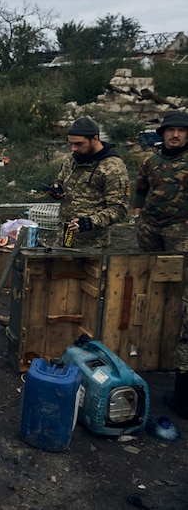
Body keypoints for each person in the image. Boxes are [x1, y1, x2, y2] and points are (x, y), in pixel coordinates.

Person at [131, 111, 188, 419]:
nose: (175, 135)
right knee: (149, 282)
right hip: (150, 227)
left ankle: (179, 351)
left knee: (181, 288)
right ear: (163, 133)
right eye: (170, 130)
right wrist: (138, 212)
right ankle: (148, 344)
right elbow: (140, 187)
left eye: (180, 130)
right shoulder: (150, 161)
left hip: (181, 230)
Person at [46, 117, 130, 249]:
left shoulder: (112, 168)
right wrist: (57, 189)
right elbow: (61, 180)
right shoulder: (73, 160)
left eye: (79, 144)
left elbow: (119, 209)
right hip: (64, 238)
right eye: (71, 144)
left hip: (92, 245)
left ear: (95, 139)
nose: (73, 149)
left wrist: (90, 222)